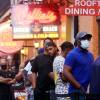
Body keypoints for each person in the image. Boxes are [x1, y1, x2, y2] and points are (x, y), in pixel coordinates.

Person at [63, 32, 94, 100]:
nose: (87, 41)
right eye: (84, 39)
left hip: (88, 90)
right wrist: (79, 86)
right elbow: (66, 72)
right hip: (76, 92)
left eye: (88, 39)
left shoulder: (90, 55)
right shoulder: (72, 54)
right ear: (78, 41)